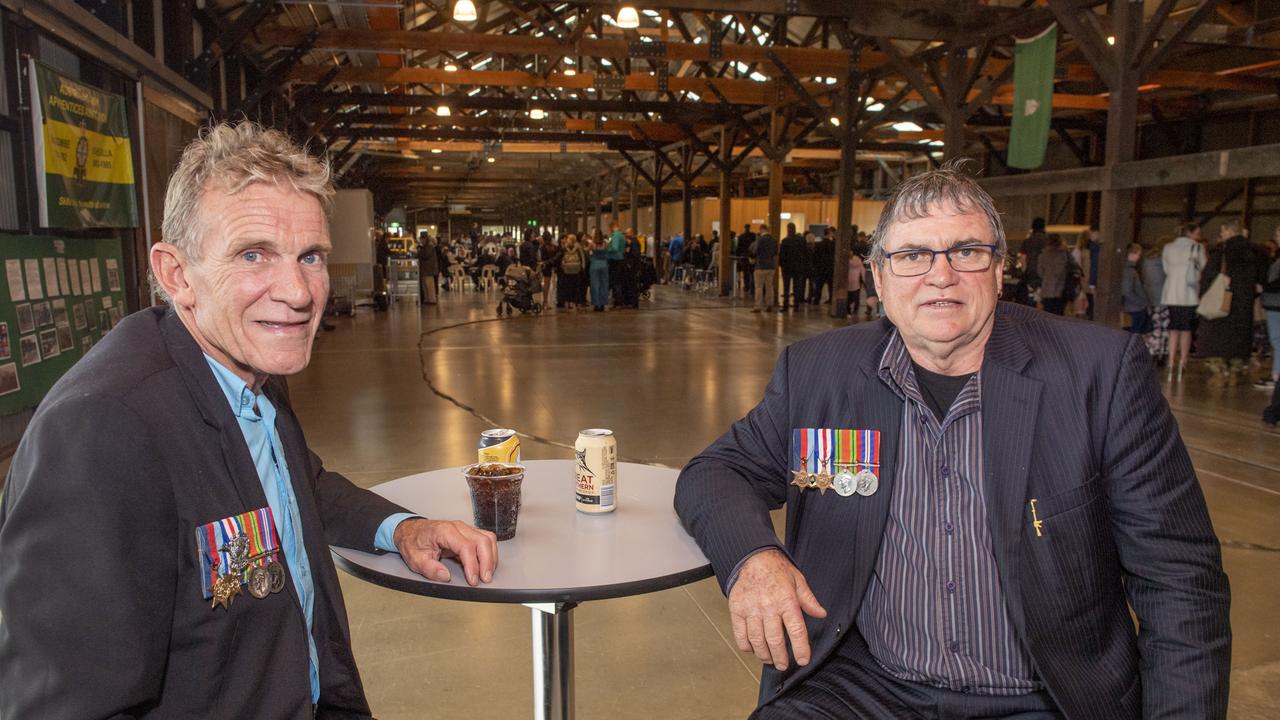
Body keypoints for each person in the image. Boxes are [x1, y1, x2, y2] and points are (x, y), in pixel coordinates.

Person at [674, 162, 1229, 720]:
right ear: (877, 276)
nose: (940, 275)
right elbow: (716, 472)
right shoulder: (819, 373)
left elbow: (1180, 581)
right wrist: (755, 558)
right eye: (912, 255)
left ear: (999, 268)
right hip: (864, 686)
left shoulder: (1099, 374)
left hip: (1041, 697)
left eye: (966, 251)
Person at [0, 122, 499, 718]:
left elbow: (293, 482)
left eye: (309, 256)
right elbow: (64, 703)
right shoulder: (100, 431)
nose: (295, 291)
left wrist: (400, 528)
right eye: (252, 254)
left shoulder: (245, 363)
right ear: (176, 274)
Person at [1196, 219, 1264, 387]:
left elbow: (1207, 277)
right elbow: (1261, 281)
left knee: (1217, 338)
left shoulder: (1222, 251)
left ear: (1228, 231)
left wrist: (1204, 294)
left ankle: (1219, 372)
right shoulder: (1256, 252)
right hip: (1245, 303)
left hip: (1221, 303)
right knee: (1238, 340)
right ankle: (1235, 370)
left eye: (1223, 231)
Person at [1161, 222, 1205, 381]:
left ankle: (1171, 361)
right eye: (1198, 232)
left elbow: (1166, 269)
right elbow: (1202, 269)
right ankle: (1183, 362)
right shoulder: (1197, 248)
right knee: (1186, 329)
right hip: (1189, 293)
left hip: (1171, 292)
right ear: (1191, 233)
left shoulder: (1168, 248)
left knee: (1173, 327)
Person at [1035, 234, 1070, 315]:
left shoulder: (1042, 256)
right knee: (1058, 315)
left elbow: (1040, 272)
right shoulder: (1063, 255)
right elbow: (1065, 271)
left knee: (1047, 314)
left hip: (1047, 289)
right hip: (1060, 290)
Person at [1121, 242, 1151, 334]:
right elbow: (1127, 291)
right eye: (1138, 254)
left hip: (1131, 307)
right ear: (1132, 254)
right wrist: (1142, 303)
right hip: (1135, 308)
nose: (1139, 257)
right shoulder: (1129, 271)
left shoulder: (1126, 269)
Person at [778, 222, 807, 312]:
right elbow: (805, 253)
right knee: (796, 287)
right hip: (798, 267)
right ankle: (796, 305)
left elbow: (782, 255)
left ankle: (785, 305)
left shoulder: (785, 241)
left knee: (786, 287)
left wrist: (781, 265)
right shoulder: (801, 240)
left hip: (787, 267)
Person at [751, 224, 778, 313]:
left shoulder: (760, 239)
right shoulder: (774, 240)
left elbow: (755, 251)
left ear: (761, 229)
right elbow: (775, 252)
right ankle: (769, 304)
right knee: (769, 286)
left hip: (760, 266)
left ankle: (758, 306)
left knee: (759, 287)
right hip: (771, 266)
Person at [557, 233, 586, 311]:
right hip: (576, 270)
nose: (567, 240)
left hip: (568, 271)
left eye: (568, 239)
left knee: (569, 288)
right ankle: (577, 304)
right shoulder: (578, 248)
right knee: (576, 288)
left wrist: (562, 267)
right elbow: (582, 257)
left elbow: (561, 259)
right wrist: (582, 267)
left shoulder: (564, 248)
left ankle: (569, 303)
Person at [1020, 217, 1048, 294]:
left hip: (1030, 273)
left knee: (1031, 296)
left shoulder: (1027, 241)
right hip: (1044, 274)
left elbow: (1023, 259)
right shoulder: (1048, 241)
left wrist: (1024, 272)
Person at [589, 232, 610, 312]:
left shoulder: (592, 244)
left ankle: (596, 304)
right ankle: (602, 304)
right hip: (604, 264)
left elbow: (589, 252)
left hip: (594, 264)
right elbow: (608, 253)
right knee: (604, 284)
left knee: (595, 285)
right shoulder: (605, 243)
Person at [417, 231, 439, 305]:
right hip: (425, 269)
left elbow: (425, 255)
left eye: (422, 239)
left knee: (429, 285)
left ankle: (432, 300)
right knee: (425, 285)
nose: (421, 241)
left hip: (429, 269)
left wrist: (419, 251)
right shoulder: (426, 246)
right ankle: (427, 299)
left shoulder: (429, 246)